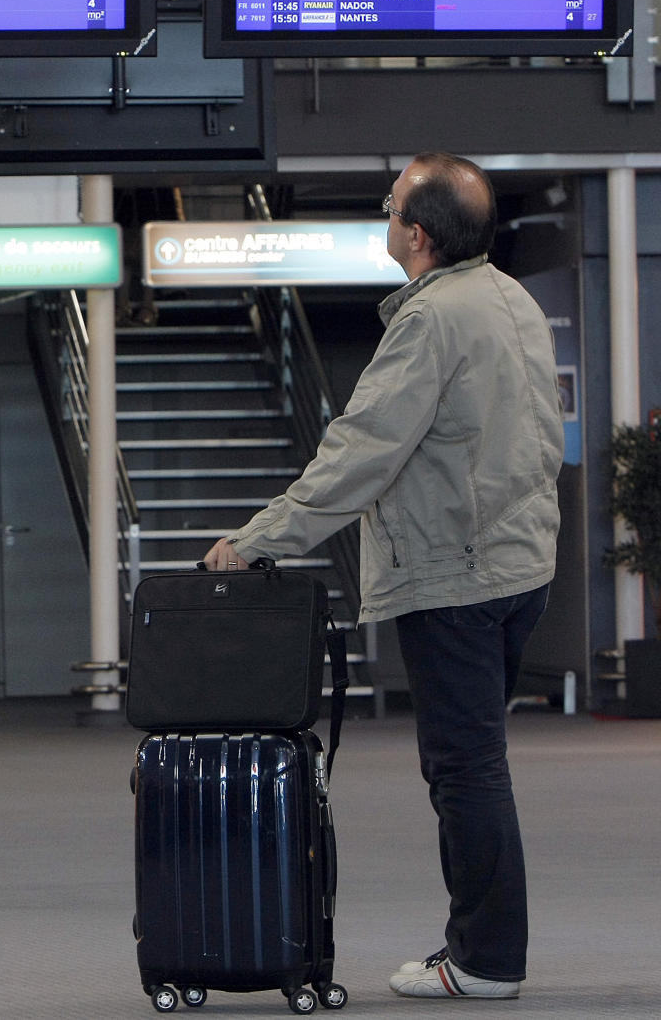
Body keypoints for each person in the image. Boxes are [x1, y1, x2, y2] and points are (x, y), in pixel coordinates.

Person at [203, 152, 564, 1000]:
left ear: (419, 232)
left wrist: (258, 540)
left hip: (456, 577)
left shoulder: (431, 320)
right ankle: (483, 948)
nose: (384, 211)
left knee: (465, 768)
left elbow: (361, 451)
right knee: (479, 762)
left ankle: (484, 960)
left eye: (391, 201)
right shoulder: (512, 299)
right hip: (519, 568)